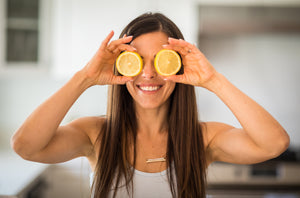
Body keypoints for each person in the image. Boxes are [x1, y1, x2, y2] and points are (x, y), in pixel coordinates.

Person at [11, 12, 290, 198]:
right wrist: (84, 77)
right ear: (121, 66)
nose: (148, 74)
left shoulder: (202, 138)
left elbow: (274, 143)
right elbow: (25, 146)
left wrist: (213, 80)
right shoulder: (96, 134)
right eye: (137, 60)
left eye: (161, 60)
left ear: (178, 64)